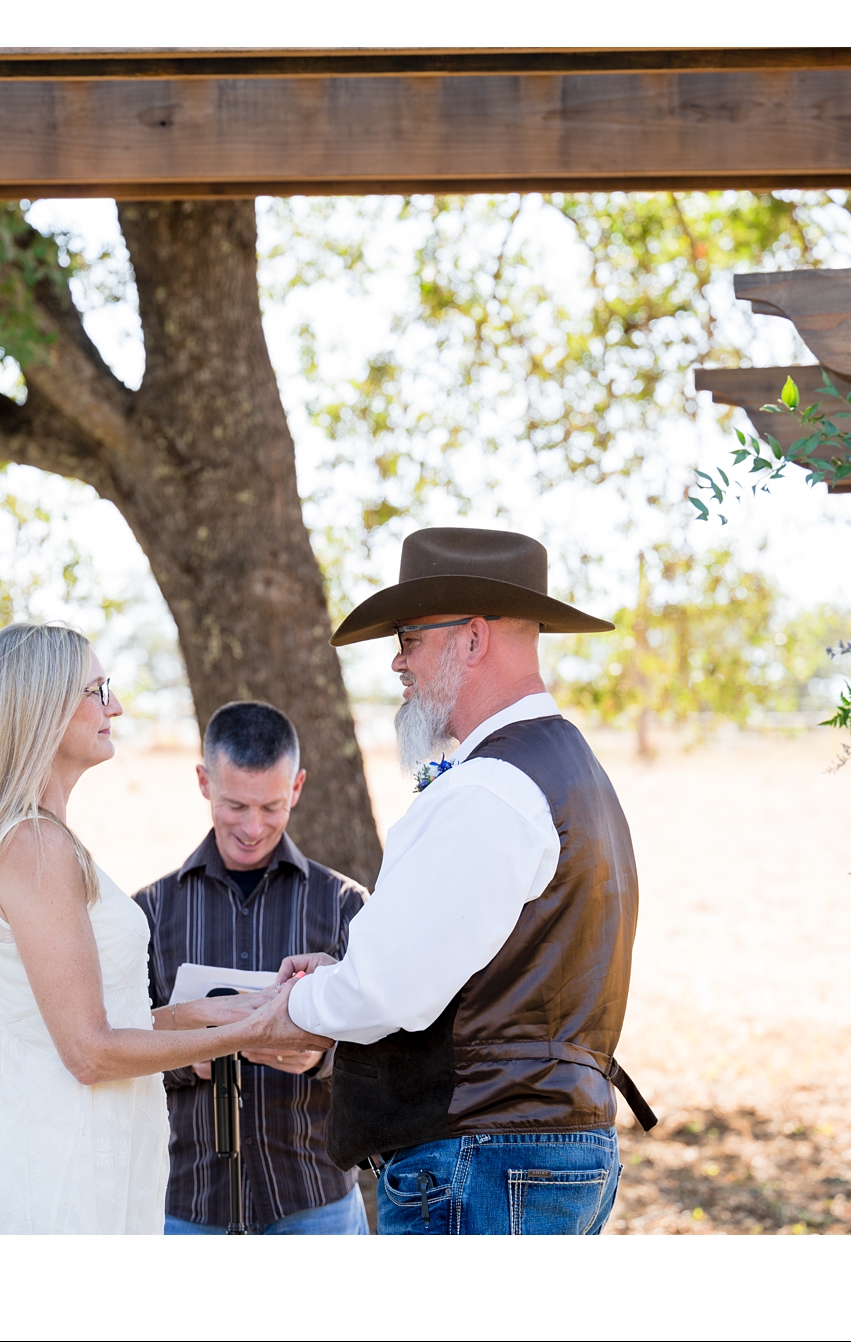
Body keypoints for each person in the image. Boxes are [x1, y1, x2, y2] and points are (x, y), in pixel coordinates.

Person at [210, 526, 655, 1235]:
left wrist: (287, 1009)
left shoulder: (490, 787)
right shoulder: (566, 768)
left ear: (472, 639)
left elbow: (391, 990)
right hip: (532, 1149)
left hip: (482, 1159)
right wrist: (344, 975)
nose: (397, 661)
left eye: (411, 637)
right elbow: (471, 967)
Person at [0, 622, 314, 1234]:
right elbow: (90, 1052)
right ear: (44, 708)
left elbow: (99, 1021)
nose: (114, 705)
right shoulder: (36, 845)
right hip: (62, 1150)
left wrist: (218, 1012)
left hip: (92, 1135)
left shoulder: (42, 838)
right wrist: (250, 1031)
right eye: (97, 689)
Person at [133, 701, 371, 1235]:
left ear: (298, 787)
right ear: (203, 782)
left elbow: (389, 1050)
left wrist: (318, 1059)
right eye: (235, 805)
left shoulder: (346, 906)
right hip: (187, 1204)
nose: (253, 827)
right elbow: (114, 1045)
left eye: (272, 807)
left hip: (315, 1200)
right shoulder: (148, 913)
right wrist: (186, 1057)